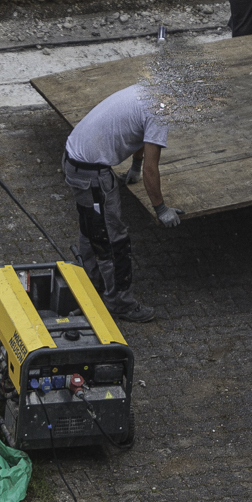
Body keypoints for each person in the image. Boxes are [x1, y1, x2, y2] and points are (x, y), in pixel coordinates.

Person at [61, 84, 181, 323]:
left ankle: (92, 283)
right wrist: (161, 209)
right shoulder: (161, 110)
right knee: (113, 239)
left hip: (73, 158)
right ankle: (120, 304)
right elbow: (151, 168)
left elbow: (138, 137)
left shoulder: (145, 91)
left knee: (91, 228)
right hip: (91, 173)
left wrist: (133, 168)